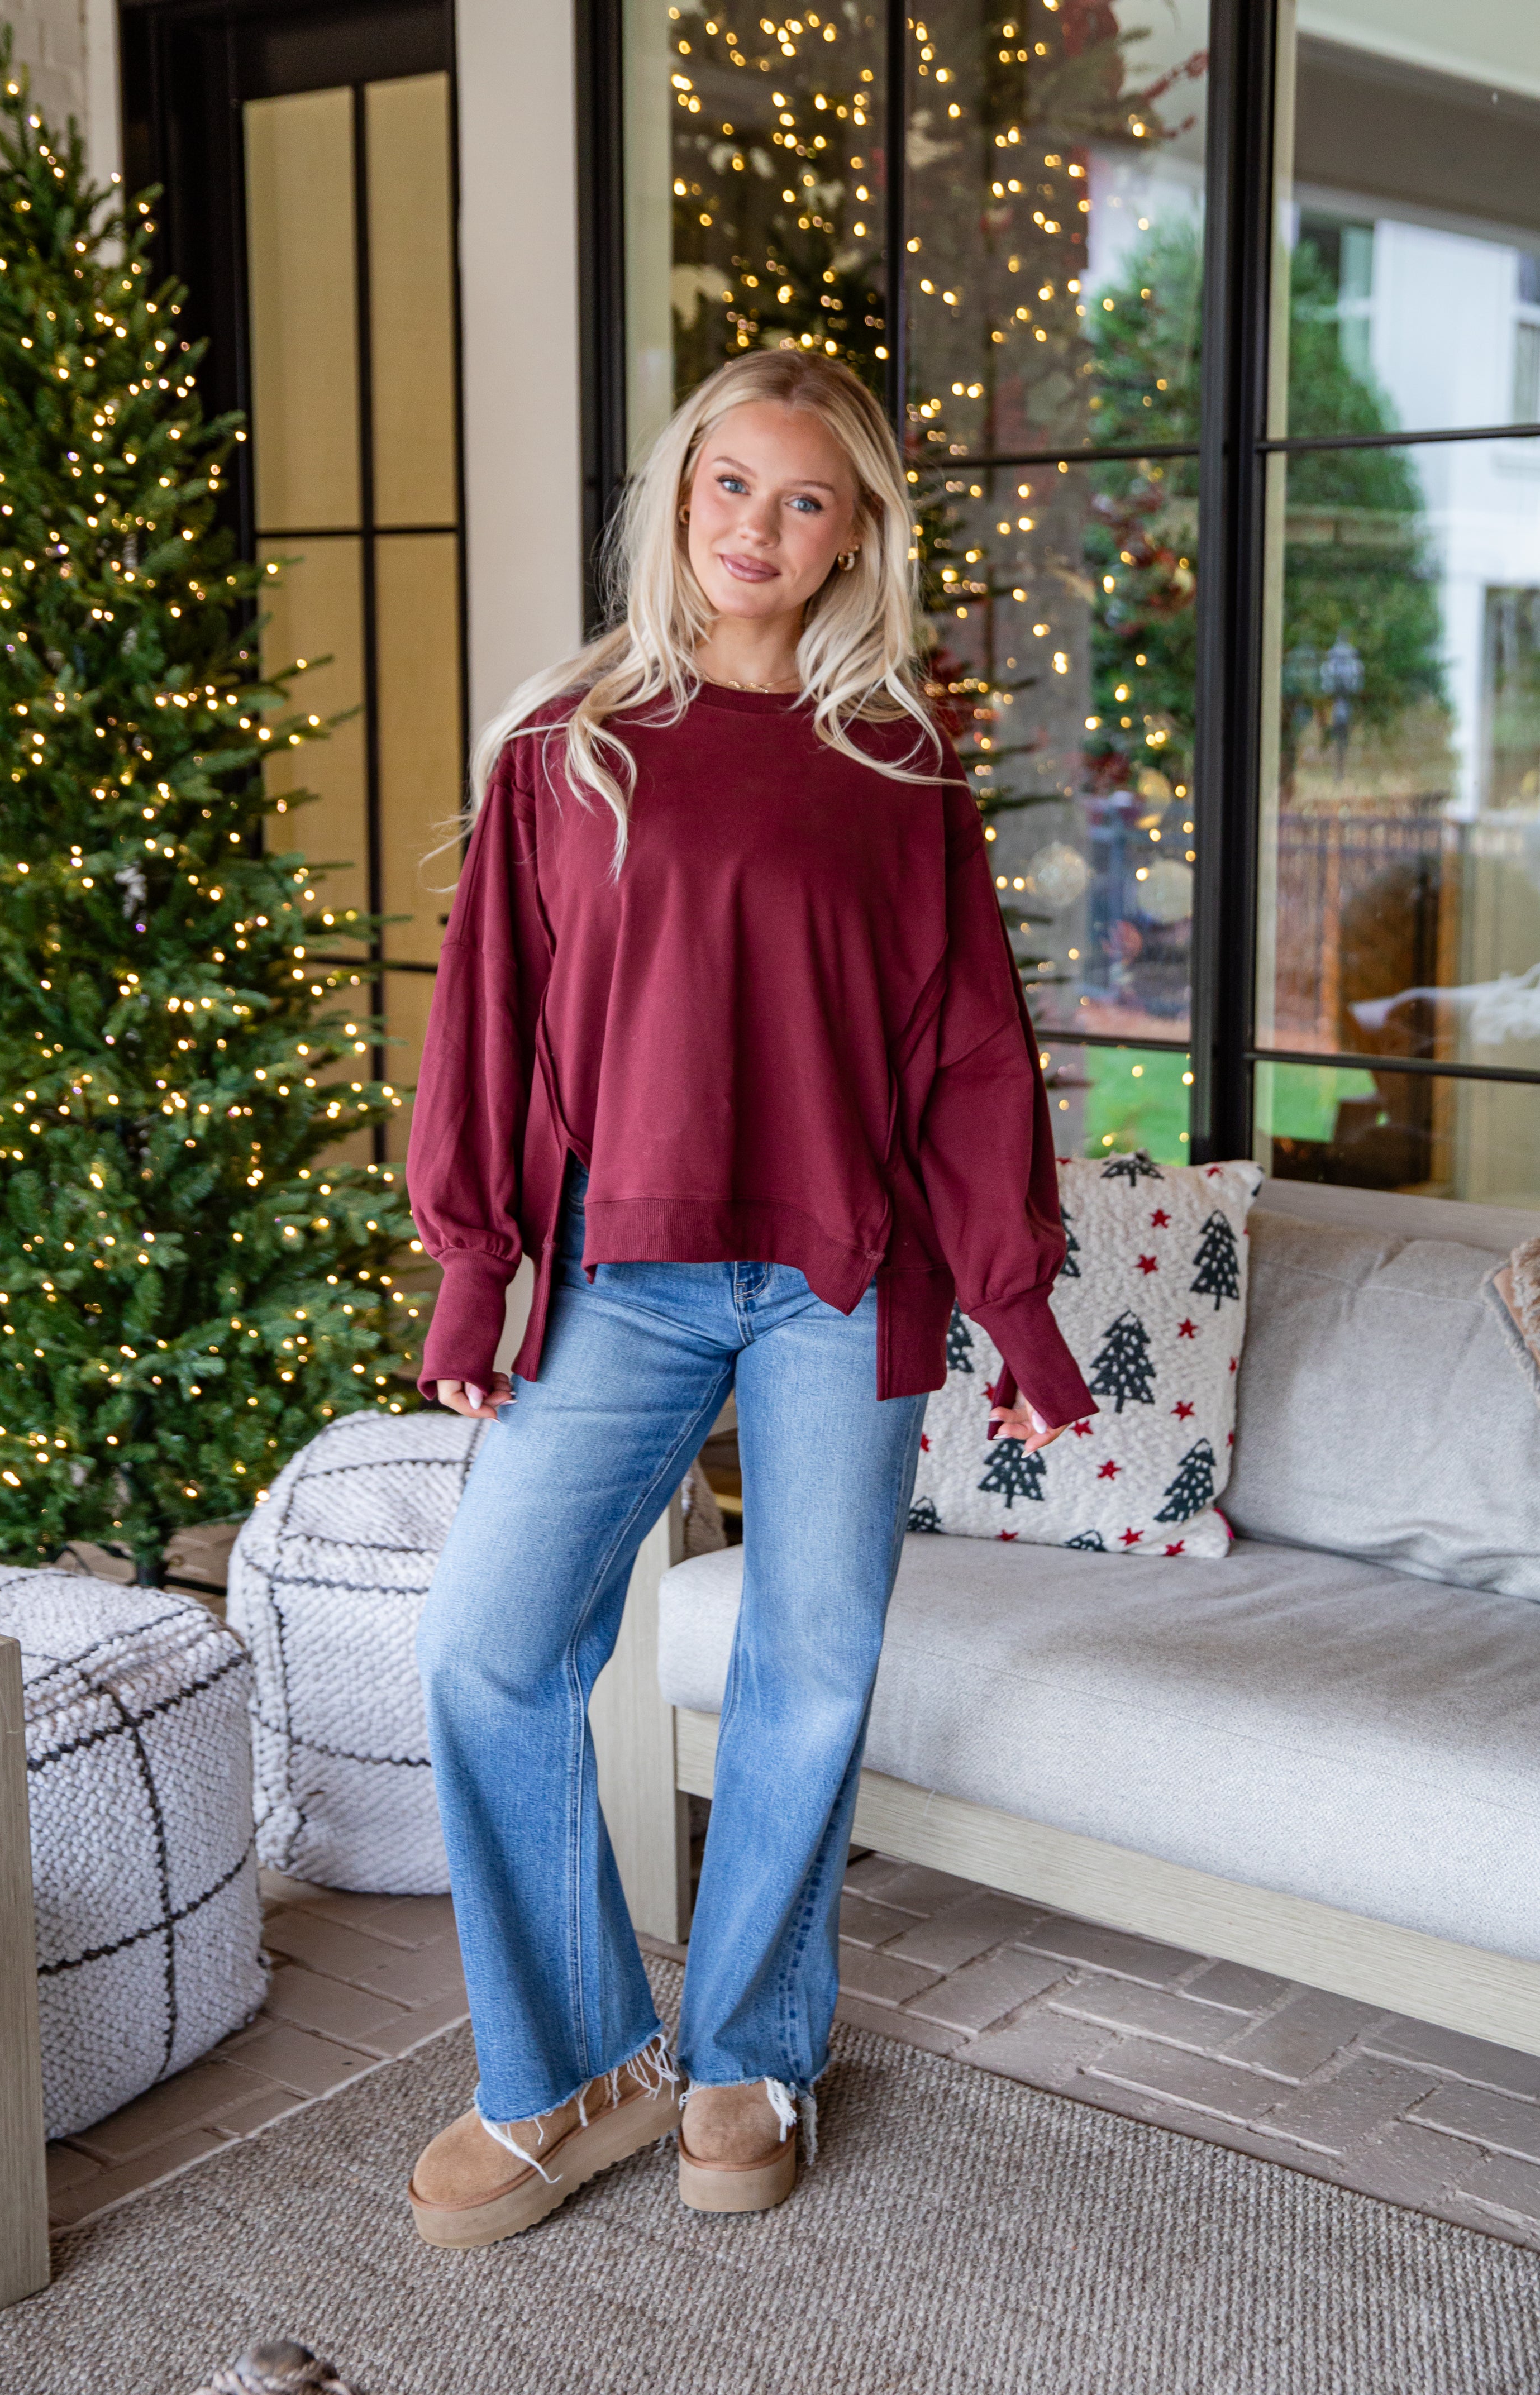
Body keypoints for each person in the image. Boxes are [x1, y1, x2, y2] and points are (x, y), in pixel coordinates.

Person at [403, 350, 1094, 2249]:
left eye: (804, 500)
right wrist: (474, 1280)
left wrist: (1017, 1309)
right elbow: (488, 1025)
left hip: (839, 1283)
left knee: (808, 1670)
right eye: (730, 485)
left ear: (856, 533)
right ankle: (573, 2066)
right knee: (484, 1649)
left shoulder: (901, 764)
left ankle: (749, 2054)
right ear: (677, 495)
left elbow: (970, 1054)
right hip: (610, 1275)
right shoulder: (569, 745)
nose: (756, 529)